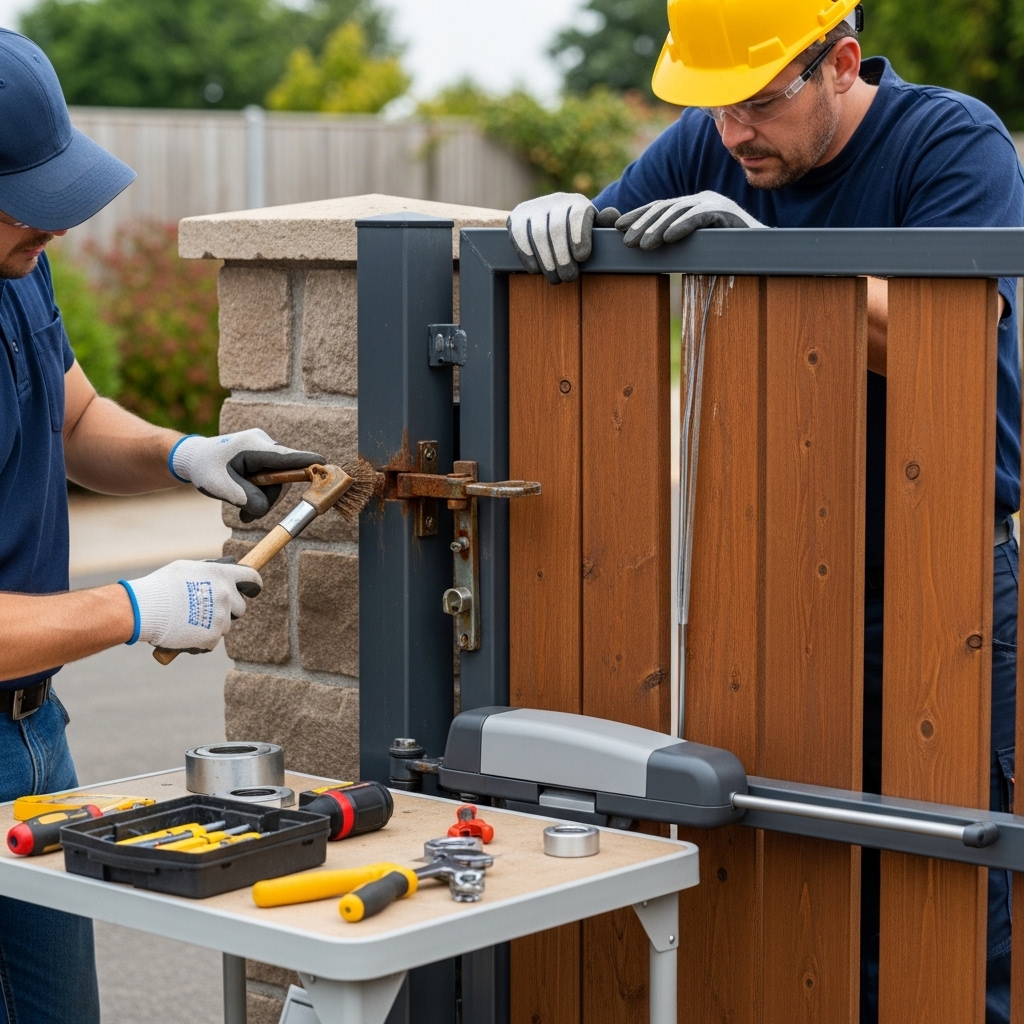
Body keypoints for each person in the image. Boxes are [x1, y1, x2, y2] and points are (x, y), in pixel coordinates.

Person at [507, 3, 1023, 1022]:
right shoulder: (716, 138)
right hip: (771, 566)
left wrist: (780, 266)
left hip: (931, 569)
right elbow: (612, 238)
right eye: (710, 107)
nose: (732, 135)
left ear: (838, 63)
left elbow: (951, 339)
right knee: (789, 869)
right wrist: (566, 221)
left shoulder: (949, 139)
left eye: (754, 103)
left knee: (945, 881)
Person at [0, 28, 323, 1022]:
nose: (50, 229)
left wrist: (188, 455)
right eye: (27, 203)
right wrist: (137, 605)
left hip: (33, 735)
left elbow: (76, 418)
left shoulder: (17, 267)